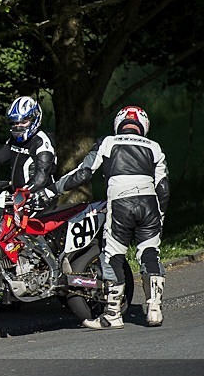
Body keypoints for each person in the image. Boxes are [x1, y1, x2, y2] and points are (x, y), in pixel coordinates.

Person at [29, 106, 169, 329]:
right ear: (144, 127)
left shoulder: (108, 142)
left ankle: (113, 314)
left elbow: (83, 173)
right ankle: (154, 309)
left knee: (112, 255)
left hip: (120, 203)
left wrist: (52, 190)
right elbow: (163, 188)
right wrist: (159, 217)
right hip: (149, 204)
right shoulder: (155, 147)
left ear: (118, 124)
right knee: (150, 253)